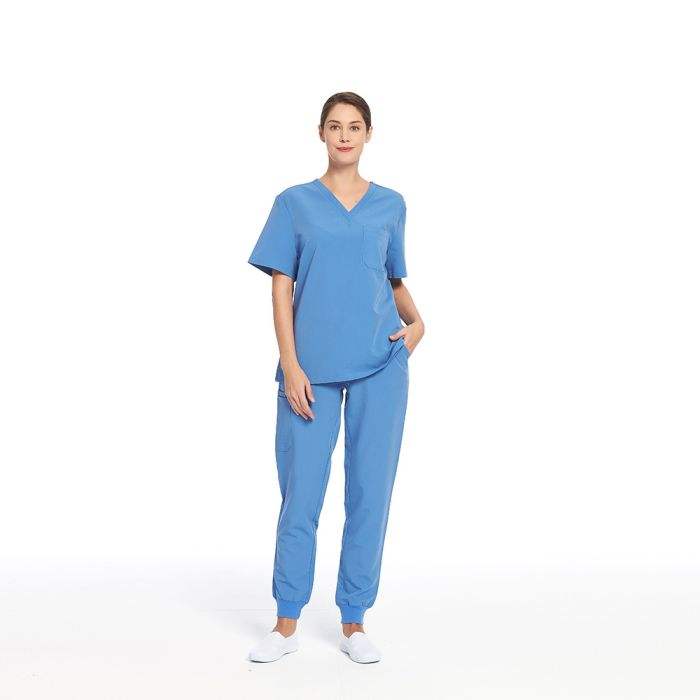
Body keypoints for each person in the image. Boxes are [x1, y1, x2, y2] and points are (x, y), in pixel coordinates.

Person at [246, 92, 425, 664]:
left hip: (381, 365)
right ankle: (285, 624)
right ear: (320, 133)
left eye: (354, 126)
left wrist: (418, 323)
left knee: (370, 494)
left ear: (368, 134)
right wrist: (291, 364)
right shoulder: (294, 204)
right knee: (301, 495)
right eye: (334, 126)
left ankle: (354, 622)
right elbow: (281, 287)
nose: (344, 135)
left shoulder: (391, 204)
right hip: (311, 372)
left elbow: (391, 279)